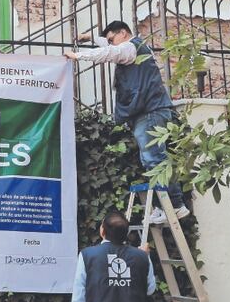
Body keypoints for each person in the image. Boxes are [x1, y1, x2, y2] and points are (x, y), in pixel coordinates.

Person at [64, 21, 188, 224]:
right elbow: (108, 45)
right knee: (152, 159)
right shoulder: (135, 47)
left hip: (150, 112)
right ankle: (164, 205)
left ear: (123, 33)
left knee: (154, 159)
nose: (111, 44)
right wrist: (88, 37)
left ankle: (174, 205)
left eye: (113, 39)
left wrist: (78, 56)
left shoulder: (130, 48)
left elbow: (109, 53)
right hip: (149, 111)